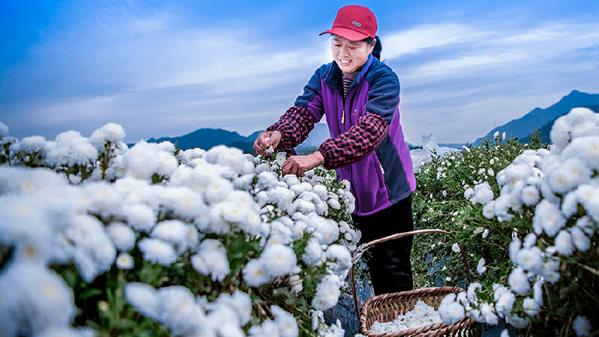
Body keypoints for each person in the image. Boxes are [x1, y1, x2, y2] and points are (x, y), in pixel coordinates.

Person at [253, 5, 416, 295]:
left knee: (393, 273)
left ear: (371, 45)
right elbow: (303, 113)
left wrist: (318, 157)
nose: (343, 52)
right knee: (369, 268)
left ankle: (400, 324)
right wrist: (278, 134)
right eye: (337, 43)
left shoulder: (384, 80)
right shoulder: (324, 77)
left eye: (352, 45)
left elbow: (369, 133)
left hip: (390, 194)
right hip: (353, 195)